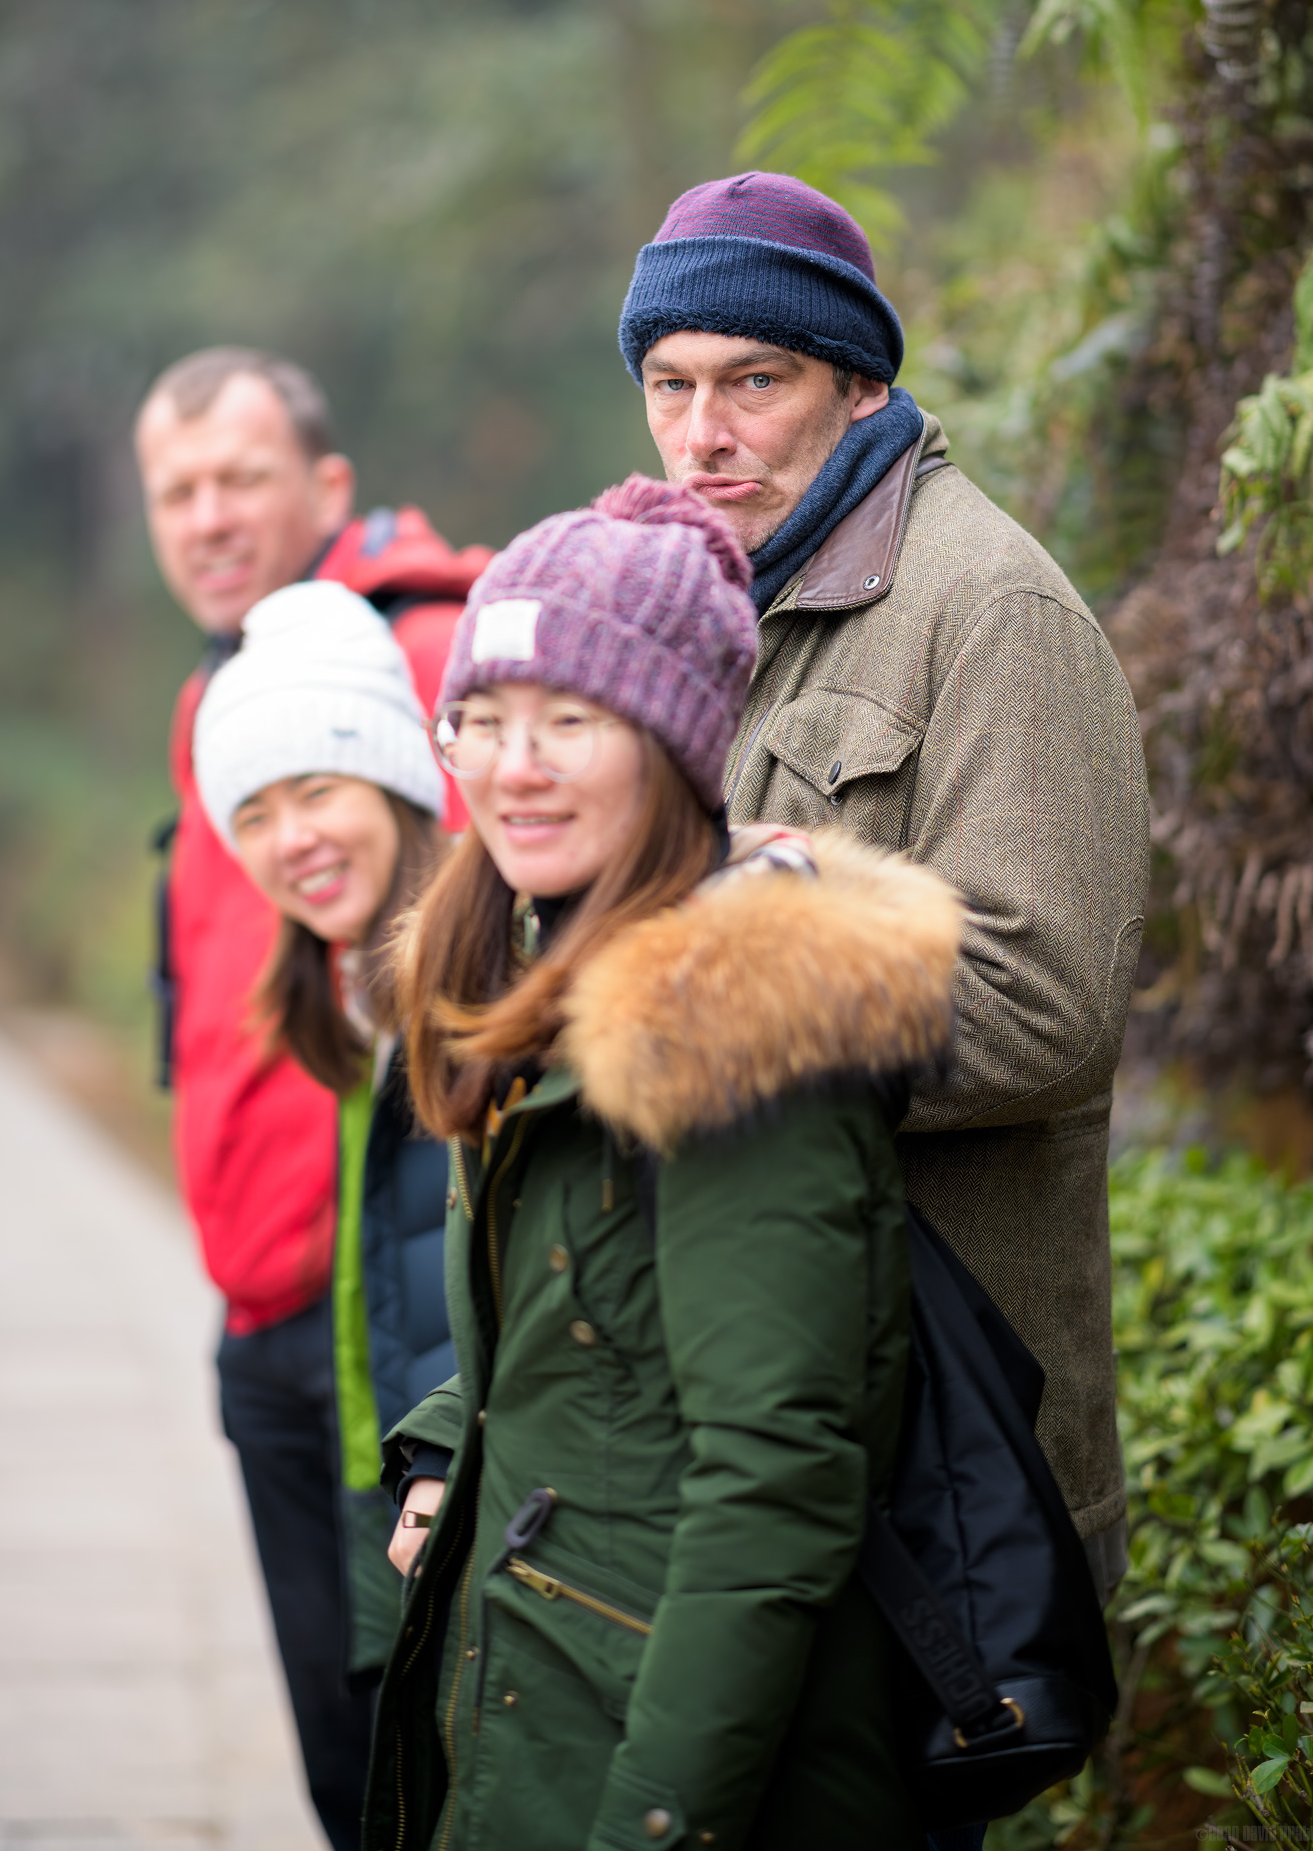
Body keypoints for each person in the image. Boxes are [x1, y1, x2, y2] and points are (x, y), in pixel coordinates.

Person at [361, 475, 964, 1851]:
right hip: (528, 1685)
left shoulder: (729, 1033)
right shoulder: (542, 969)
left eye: (572, 722)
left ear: (678, 748)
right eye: (485, 723)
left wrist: (657, 1822)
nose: (519, 766)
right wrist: (449, 1449)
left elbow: (778, 1481)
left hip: (651, 1753)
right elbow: (594, 1330)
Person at [618, 174, 1149, 1620]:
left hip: (932, 1462)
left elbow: (1045, 1009)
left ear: (860, 388)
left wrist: (685, 1024)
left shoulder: (991, 610)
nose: (701, 433)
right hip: (739, 1429)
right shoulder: (695, 600)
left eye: (755, 381)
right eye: (670, 385)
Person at [135, 346, 488, 1848]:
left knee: (409, 1767)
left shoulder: (431, 656)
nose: (208, 517)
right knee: (335, 1764)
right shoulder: (218, 689)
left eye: (241, 479)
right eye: (177, 491)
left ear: (327, 485)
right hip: (265, 1315)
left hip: (386, 1332)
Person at [191, 579, 457, 1730]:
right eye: (252, 811)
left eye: (317, 789)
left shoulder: (475, 982)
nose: (288, 838)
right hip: (371, 1464)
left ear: (396, 782)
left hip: (457, 1492)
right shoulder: (334, 992)